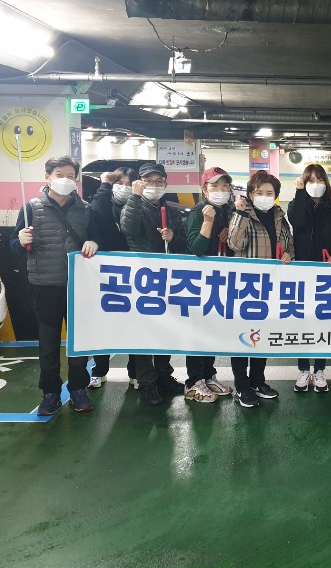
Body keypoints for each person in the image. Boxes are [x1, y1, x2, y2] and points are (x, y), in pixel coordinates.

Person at [10, 155, 100, 416]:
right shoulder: (30, 209)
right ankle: (50, 393)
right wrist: (20, 240)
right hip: (45, 285)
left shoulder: (85, 209)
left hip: (78, 285)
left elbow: (97, 237)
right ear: (47, 177)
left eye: (70, 176)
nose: (65, 180)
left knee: (78, 342)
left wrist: (95, 243)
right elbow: (14, 246)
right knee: (48, 342)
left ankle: (78, 389)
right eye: (59, 175)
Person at [120, 162, 188, 407]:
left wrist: (173, 237)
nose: (154, 185)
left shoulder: (171, 210)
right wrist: (135, 197)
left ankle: (163, 375)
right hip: (142, 279)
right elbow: (129, 229)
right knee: (143, 332)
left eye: (159, 181)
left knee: (165, 330)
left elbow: (184, 243)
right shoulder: (132, 205)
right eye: (149, 181)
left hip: (167, 278)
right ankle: (146, 382)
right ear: (139, 182)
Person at [227, 170, 295, 408]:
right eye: (259, 192)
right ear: (250, 194)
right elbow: (234, 243)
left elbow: (290, 245)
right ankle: (242, 385)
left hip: (270, 288)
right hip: (246, 287)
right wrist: (240, 214)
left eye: (269, 193)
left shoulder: (280, 217)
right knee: (241, 337)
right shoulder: (243, 215)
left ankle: (258, 381)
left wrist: (289, 255)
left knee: (262, 336)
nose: (264, 196)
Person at [287, 164, 331, 393]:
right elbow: (298, 221)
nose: (316, 184)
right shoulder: (296, 204)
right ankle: (303, 370)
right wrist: (300, 192)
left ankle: (320, 369)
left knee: (323, 322)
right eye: (310, 180)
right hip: (301, 273)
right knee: (302, 323)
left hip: (326, 274)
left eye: (320, 180)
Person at [184, 166, 236, 403]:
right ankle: (193, 382)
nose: (220, 190)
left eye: (225, 186)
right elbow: (196, 249)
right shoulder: (198, 212)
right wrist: (207, 222)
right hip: (199, 282)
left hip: (218, 282)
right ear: (204, 190)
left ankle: (208, 375)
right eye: (215, 186)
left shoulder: (226, 211)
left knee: (212, 330)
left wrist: (226, 228)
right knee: (198, 331)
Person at [87, 166, 138, 390]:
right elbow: (98, 213)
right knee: (104, 324)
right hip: (106, 276)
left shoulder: (138, 205)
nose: (124, 188)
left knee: (135, 326)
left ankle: (135, 372)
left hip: (134, 275)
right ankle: (99, 370)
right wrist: (105, 185)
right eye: (119, 183)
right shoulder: (101, 203)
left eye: (129, 184)